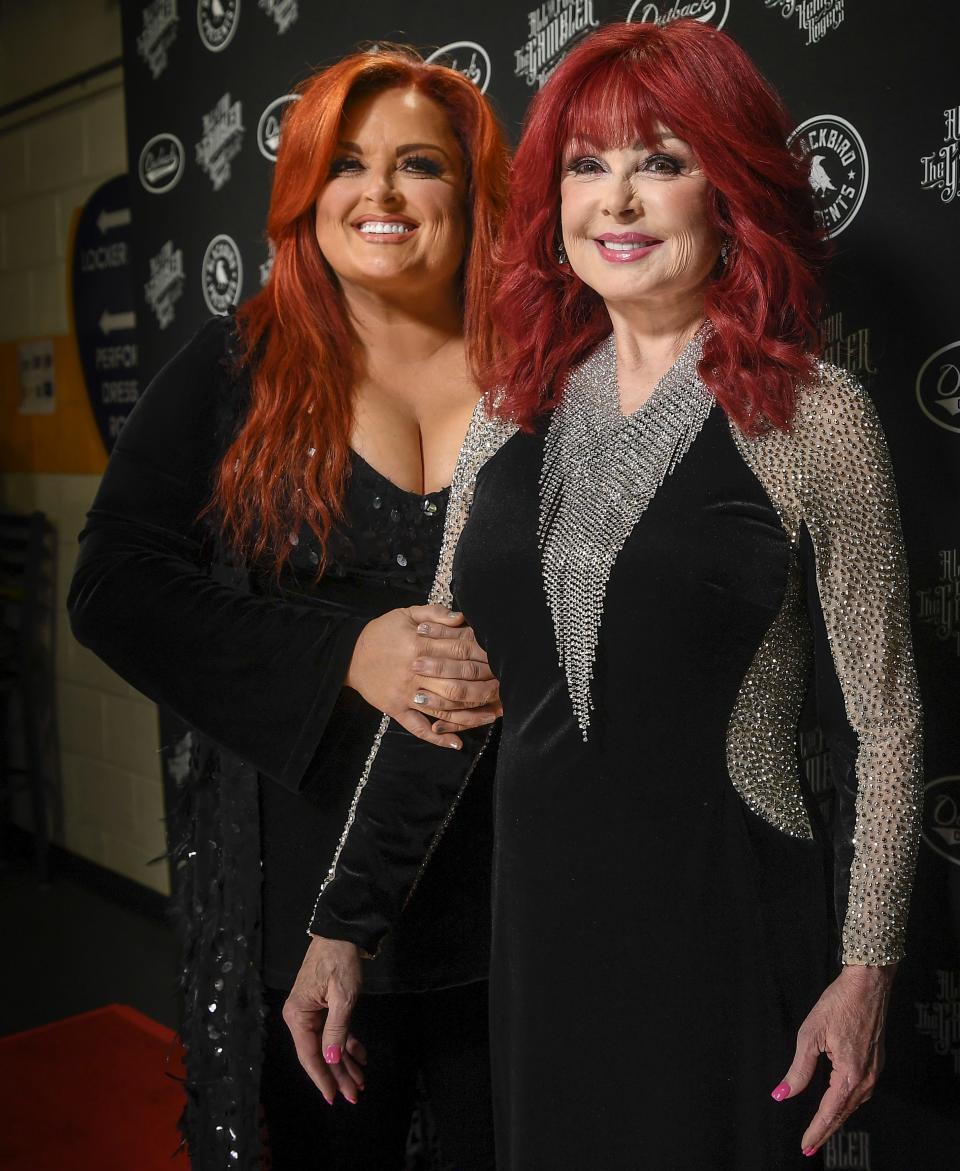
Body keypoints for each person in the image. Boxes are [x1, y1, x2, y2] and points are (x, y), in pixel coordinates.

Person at [294, 21, 924, 1170]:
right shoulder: (506, 408)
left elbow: (883, 722)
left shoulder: (812, 418)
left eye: (662, 162)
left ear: (729, 190)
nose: (618, 203)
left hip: (729, 936)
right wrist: (344, 921)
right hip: (541, 939)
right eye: (588, 166)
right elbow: (443, 689)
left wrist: (867, 969)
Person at [67, 47, 509, 1171]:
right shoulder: (237, 365)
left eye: (421, 165)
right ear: (304, 195)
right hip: (305, 914)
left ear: (470, 194)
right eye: (347, 166)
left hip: (518, 900)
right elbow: (113, 584)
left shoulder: (541, 375)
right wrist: (344, 653)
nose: (384, 195)